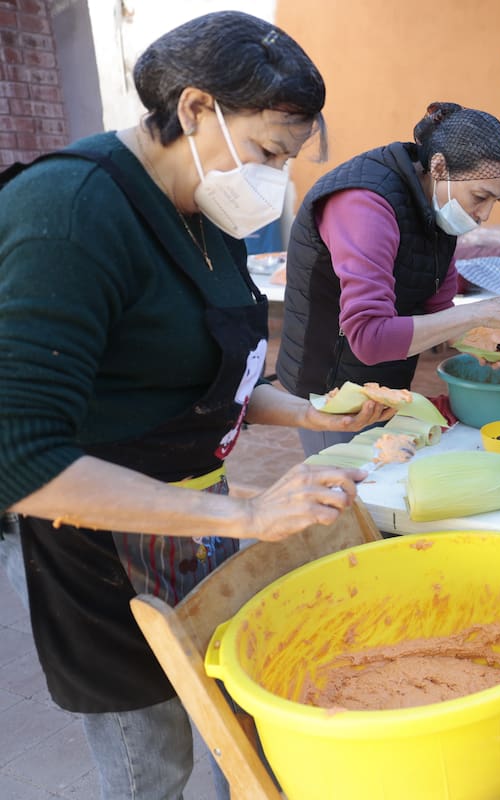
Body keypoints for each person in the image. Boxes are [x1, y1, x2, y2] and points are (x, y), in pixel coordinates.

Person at [0, 12, 392, 799]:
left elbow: (205, 381)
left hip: (189, 521)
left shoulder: (212, 214)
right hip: (93, 550)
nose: (276, 179)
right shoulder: (71, 211)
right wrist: (245, 519)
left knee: (226, 718)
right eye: (271, 152)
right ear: (195, 110)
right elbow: (24, 461)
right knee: (153, 760)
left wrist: (314, 415)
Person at [276, 102, 500, 456]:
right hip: (332, 388)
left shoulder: (439, 206)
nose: (484, 214)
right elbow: (369, 337)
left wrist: (486, 342)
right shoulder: (364, 203)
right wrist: (478, 314)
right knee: (344, 496)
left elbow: (439, 310)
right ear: (440, 166)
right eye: (480, 197)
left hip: (386, 382)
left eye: (496, 201)